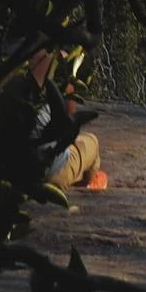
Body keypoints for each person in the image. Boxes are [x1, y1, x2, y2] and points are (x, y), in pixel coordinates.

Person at [27, 48, 108, 191]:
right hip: (48, 167)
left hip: (5, 163)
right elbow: (70, 118)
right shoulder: (57, 59)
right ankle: (90, 180)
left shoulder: (1, 55)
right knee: (92, 141)